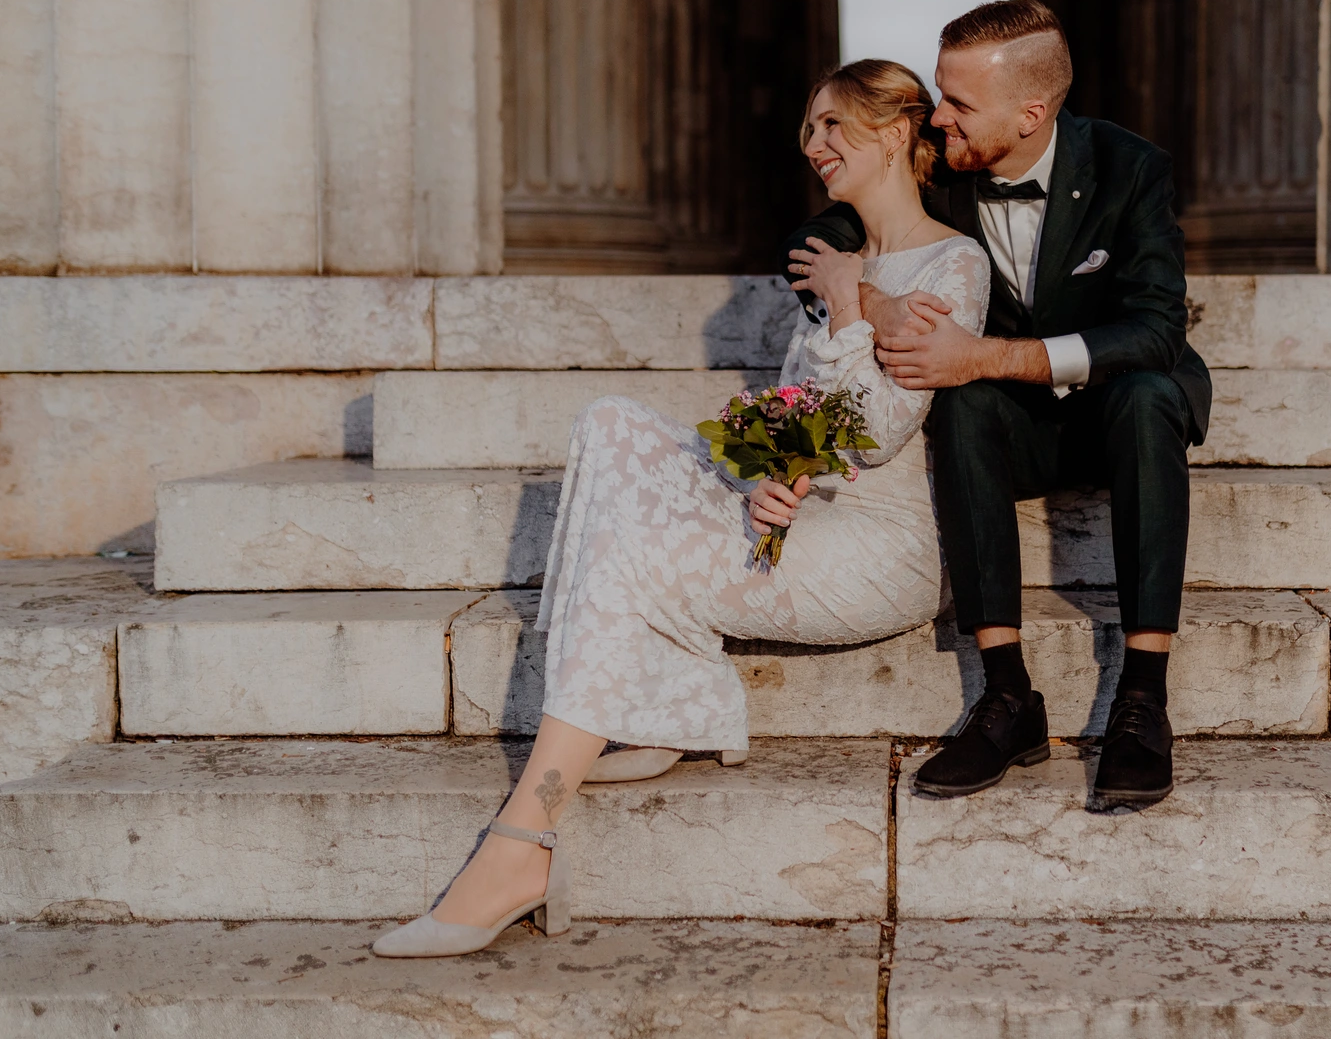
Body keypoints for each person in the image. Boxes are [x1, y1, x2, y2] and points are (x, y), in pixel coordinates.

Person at [372, 60, 989, 957]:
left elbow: (881, 430)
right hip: (810, 514)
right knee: (611, 425)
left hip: (885, 549)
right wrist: (775, 476)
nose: (812, 146)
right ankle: (666, 703)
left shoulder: (952, 261)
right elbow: (800, 417)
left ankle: (523, 842)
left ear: (895, 133)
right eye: (808, 131)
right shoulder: (833, 262)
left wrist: (851, 306)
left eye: (829, 126)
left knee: (632, 557)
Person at [783, 0, 1209, 807]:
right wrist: (873, 301)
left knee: (1152, 395)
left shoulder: (1130, 166)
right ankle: (1008, 695)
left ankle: (1143, 699)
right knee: (966, 401)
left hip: (1117, 410)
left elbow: (1155, 329)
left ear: (1031, 112)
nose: (937, 117)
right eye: (940, 95)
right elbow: (810, 240)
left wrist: (985, 351)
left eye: (958, 103)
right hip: (1013, 424)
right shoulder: (943, 167)